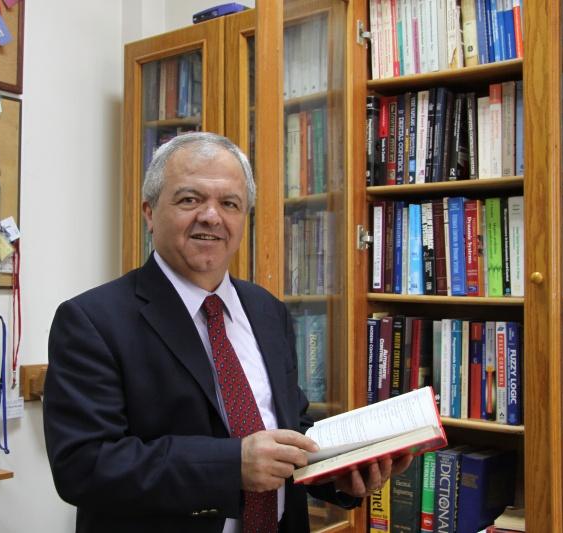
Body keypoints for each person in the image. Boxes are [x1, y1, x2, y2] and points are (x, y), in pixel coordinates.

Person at [44, 132, 412, 533]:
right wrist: (232, 465)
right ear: (149, 213)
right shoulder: (91, 321)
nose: (211, 216)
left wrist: (338, 473)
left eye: (230, 203)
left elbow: (287, 426)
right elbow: (84, 466)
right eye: (190, 199)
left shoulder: (267, 310)